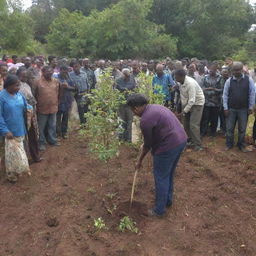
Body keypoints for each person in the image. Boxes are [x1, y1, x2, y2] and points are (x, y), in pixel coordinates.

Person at [127, 93, 187, 217]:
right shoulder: (156, 107)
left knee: (161, 176)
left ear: (136, 108)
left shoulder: (145, 120)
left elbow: (148, 144)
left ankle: (159, 210)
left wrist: (139, 160)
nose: (133, 113)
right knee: (168, 173)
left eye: (132, 110)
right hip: (181, 140)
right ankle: (168, 201)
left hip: (168, 146)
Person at [0, 75, 32, 182]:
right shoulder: (1, 97)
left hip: (20, 128)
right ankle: (11, 175)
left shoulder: (19, 95)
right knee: (10, 155)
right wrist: (5, 130)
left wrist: (29, 109)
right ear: (8, 86)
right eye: (16, 85)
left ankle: (18, 170)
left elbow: (25, 106)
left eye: (19, 85)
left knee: (19, 153)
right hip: (9, 131)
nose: (18, 87)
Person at [223, 62, 255, 152]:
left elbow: (252, 94)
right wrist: (225, 107)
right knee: (229, 128)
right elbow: (225, 95)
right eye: (234, 70)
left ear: (242, 70)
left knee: (242, 128)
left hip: (244, 109)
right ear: (232, 70)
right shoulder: (229, 81)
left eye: (238, 70)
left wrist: (250, 107)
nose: (236, 72)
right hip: (231, 108)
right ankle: (229, 144)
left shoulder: (249, 80)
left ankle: (241, 145)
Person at [34, 66, 64, 151]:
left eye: (51, 71)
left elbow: (60, 91)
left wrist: (58, 101)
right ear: (43, 72)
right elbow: (34, 94)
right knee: (41, 127)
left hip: (53, 107)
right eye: (47, 72)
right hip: (42, 108)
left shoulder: (56, 81)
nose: (50, 73)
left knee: (52, 125)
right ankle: (41, 143)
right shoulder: (37, 82)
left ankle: (52, 140)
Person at [175, 69, 205, 151]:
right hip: (187, 103)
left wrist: (184, 111)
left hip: (197, 103)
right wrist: (182, 108)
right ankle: (190, 140)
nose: (175, 79)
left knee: (193, 125)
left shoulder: (190, 84)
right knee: (186, 123)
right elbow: (183, 96)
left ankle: (198, 145)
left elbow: (192, 100)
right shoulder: (180, 82)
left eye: (176, 77)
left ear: (182, 76)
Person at [17, 68, 42, 162]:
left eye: (26, 75)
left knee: (33, 135)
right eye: (23, 75)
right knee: (25, 138)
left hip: (31, 114)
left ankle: (35, 156)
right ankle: (26, 159)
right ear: (18, 75)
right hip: (22, 115)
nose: (25, 77)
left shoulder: (26, 84)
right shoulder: (17, 86)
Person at [200, 63, 223, 137]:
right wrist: (207, 89)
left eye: (213, 70)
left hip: (216, 102)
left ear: (216, 70)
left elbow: (222, 89)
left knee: (214, 118)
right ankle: (203, 132)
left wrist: (214, 89)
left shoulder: (220, 78)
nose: (211, 71)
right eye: (210, 69)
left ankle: (213, 133)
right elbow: (201, 88)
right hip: (206, 102)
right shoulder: (205, 77)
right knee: (205, 118)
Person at [54, 65, 76, 138]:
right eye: (64, 71)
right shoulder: (55, 78)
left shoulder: (69, 78)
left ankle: (64, 132)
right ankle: (57, 132)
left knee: (65, 117)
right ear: (60, 70)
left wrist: (68, 87)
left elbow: (75, 88)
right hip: (58, 100)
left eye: (66, 72)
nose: (65, 73)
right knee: (57, 117)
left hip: (67, 100)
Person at [115, 68, 136, 142]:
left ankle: (128, 139)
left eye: (128, 76)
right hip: (121, 104)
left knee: (129, 122)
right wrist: (127, 89)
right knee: (121, 121)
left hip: (130, 104)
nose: (127, 77)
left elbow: (133, 87)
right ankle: (121, 138)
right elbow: (118, 89)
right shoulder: (118, 80)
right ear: (122, 75)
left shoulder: (132, 79)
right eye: (126, 76)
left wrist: (124, 89)